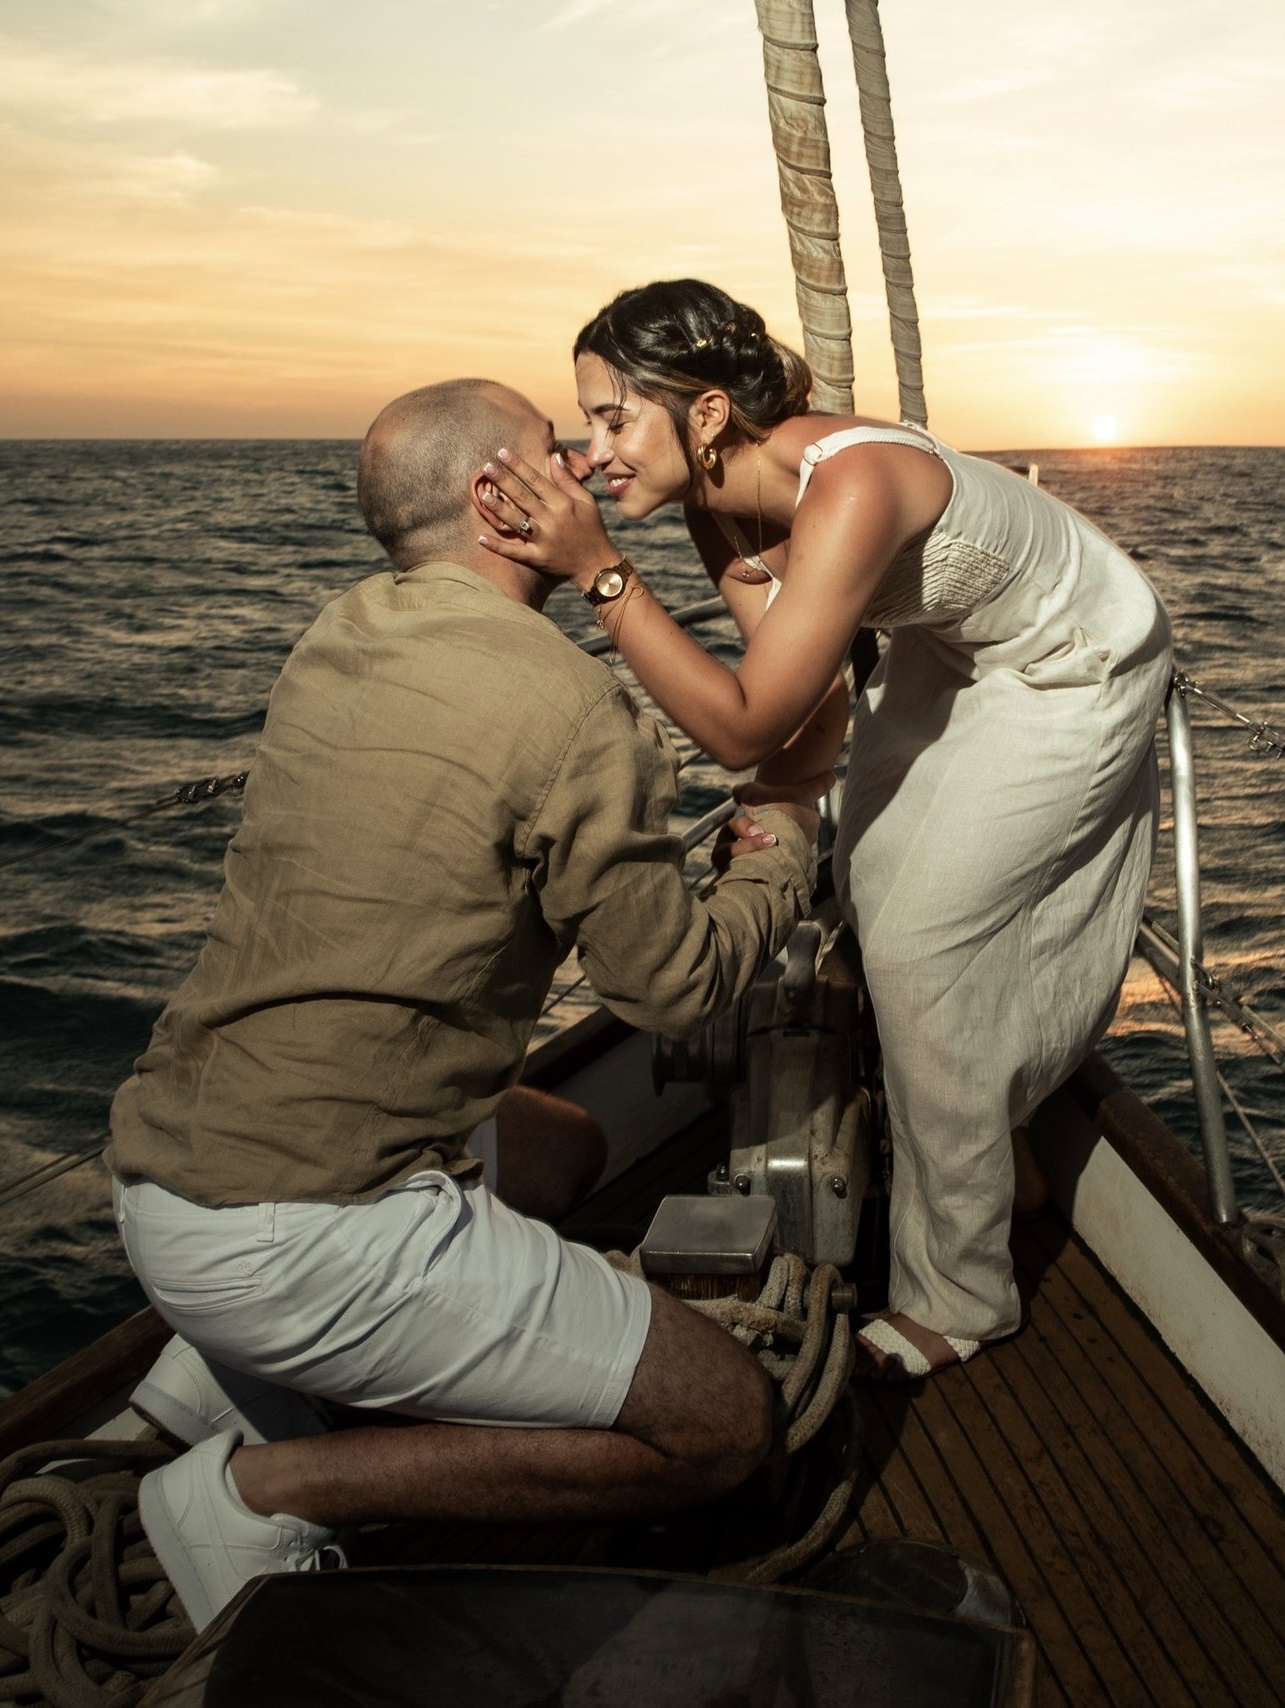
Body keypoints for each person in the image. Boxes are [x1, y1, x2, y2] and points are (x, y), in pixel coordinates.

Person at [105, 377, 819, 1629]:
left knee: (566, 1148)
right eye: (554, 451)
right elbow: (674, 988)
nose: (585, 466)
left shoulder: (340, 630)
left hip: (165, 1178)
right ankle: (258, 1491)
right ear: (499, 497)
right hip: (300, 1230)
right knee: (723, 1425)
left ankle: (224, 1369)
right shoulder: (572, 705)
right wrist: (778, 864)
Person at [475, 281, 1173, 1380]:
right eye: (587, 423)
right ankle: (1001, 1150)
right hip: (953, 647)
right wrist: (782, 803)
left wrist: (599, 572)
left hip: (1071, 660)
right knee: (875, 885)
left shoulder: (849, 485)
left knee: (921, 948)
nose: (591, 452)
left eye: (614, 419)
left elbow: (744, 718)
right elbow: (799, 709)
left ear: (707, 415)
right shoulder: (720, 502)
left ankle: (965, 1297)